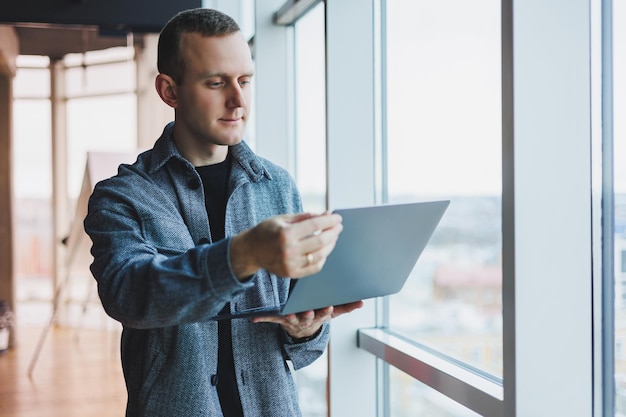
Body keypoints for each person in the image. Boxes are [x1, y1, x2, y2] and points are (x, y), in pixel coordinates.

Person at [84, 7, 363, 417]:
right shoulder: (122, 197)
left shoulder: (278, 186)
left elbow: (303, 346)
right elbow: (128, 294)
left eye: (245, 81)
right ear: (169, 91)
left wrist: (309, 329)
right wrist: (242, 255)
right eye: (216, 83)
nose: (238, 100)